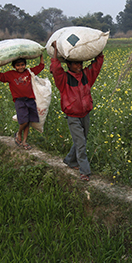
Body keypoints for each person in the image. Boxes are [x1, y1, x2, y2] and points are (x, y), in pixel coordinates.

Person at [50, 41, 104, 182]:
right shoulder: (63, 79)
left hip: (85, 114)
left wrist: (99, 47)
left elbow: (97, 65)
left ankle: (70, 160)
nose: (79, 66)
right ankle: (84, 171)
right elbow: (55, 68)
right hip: (72, 116)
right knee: (81, 143)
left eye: (80, 63)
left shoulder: (87, 75)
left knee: (82, 140)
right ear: (68, 65)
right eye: (75, 64)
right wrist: (56, 49)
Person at [0, 55, 45, 150]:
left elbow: (41, 66)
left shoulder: (29, 72)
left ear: (25, 65)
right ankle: (19, 133)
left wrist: (41, 55)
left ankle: (24, 141)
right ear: (14, 66)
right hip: (19, 101)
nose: (21, 67)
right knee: (23, 121)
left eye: (22, 65)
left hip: (30, 100)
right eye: (18, 65)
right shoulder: (10, 74)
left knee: (28, 121)